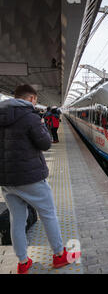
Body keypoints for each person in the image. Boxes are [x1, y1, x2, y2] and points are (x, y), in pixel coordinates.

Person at [0, 84, 79, 274]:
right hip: (30, 177)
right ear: (31, 99)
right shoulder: (30, 117)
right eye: (35, 99)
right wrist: (42, 128)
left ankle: (23, 262)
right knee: (48, 214)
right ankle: (59, 255)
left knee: (17, 220)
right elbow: (45, 144)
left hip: (6, 180)